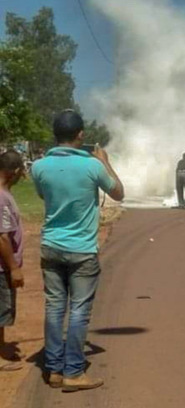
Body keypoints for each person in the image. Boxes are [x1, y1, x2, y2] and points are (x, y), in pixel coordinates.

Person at [31, 110, 124, 392]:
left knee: (54, 307)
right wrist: (105, 163)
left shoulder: (39, 166)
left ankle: (54, 369)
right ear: (81, 135)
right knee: (79, 311)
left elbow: (43, 195)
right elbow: (118, 193)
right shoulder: (93, 167)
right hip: (81, 250)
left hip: (51, 247)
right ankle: (73, 371)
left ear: (55, 134)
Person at [0, 151, 26, 372]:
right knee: (1, 310)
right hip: (2, 267)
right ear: (15, 172)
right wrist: (14, 268)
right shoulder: (2, 198)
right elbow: (2, 237)